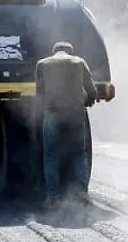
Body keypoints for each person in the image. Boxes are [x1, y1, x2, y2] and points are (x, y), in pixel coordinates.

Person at [36, 41, 98, 207]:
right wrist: (87, 102)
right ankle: (82, 195)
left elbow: (39, 93)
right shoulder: (79, 62)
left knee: (51, 156)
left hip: (53, 113)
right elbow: (92, 91)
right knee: (78, 153)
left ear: (53, 51)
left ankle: (52, 198)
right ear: (70, 51)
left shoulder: (42, 64)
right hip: (75, 113)